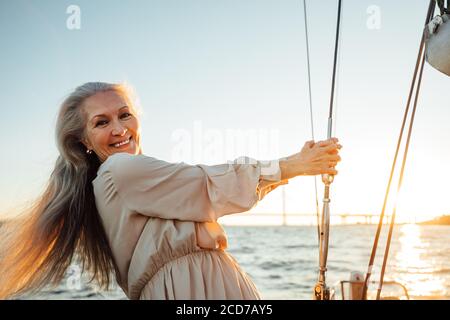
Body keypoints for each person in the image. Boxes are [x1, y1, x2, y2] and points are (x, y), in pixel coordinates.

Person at [0, 82, 342, 300]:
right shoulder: (119, 170)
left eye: (124, 115)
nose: (119, 129)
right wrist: (293, 165)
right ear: (83, 141)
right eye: (101, 122)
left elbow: (205, 196)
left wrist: (287, 172)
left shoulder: (117, 184)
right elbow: (205, 184)